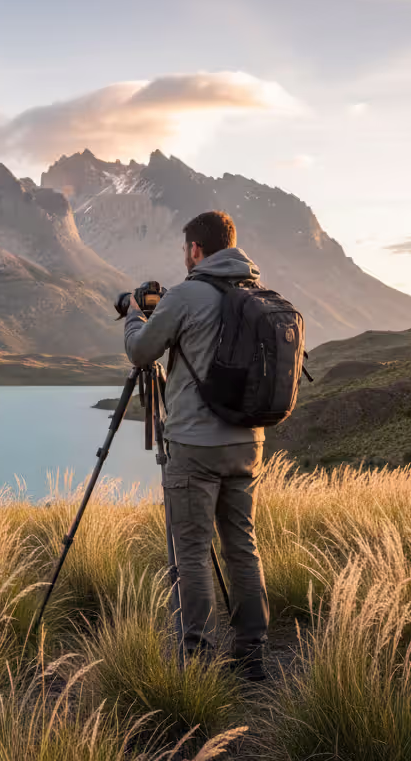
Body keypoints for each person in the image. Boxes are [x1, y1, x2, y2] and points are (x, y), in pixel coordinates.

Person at [121, 210, 269, 681]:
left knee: (191, 552)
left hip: (193, 446)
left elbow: (142, 351)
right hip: (248, 443)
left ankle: (198, 661)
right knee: (241, 546)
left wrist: (134, 316)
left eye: (186, 250)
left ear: (195, 250)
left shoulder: (186, 295)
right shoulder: (258, 295)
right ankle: (252, 655)